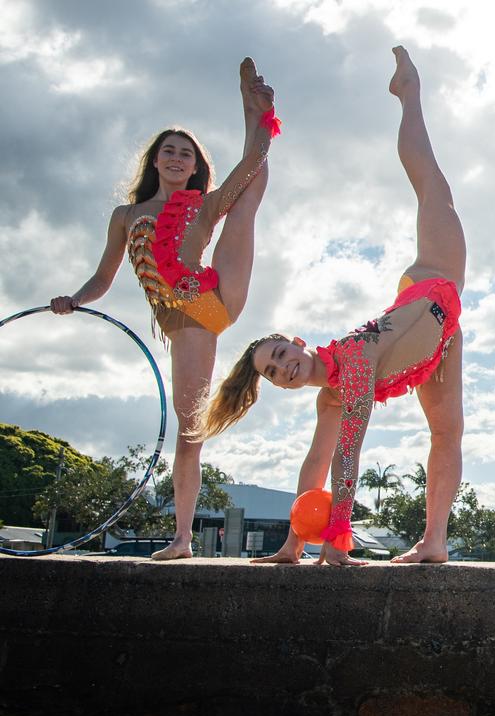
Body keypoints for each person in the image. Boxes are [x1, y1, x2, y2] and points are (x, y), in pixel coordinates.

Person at [195, 47, 464, 567]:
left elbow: (349, 455)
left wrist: (337, 543)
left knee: (432, 186)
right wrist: (294, 545)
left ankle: (409, 93)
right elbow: (317, 461)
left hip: (434, 281)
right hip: (439, 338)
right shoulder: (331, 395)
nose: (283, 368)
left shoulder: (354, 365)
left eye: (278, 354)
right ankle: (434, 541)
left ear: (296, 341)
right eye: (273, 373)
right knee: (446, 431)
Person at [50, 58, 279, 560]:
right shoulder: (127, 216)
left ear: (195, 166)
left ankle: (180, 538)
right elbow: (103, 277)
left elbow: (250, 166)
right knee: (188, 427)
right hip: (178, 315)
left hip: (207, 300)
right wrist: (75, 300)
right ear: (154, 161)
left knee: (246, 194)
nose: (177, 158)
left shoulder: (202, 203)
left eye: (186, 154)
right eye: (168, 151)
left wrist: (257, 112)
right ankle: (183, 536)